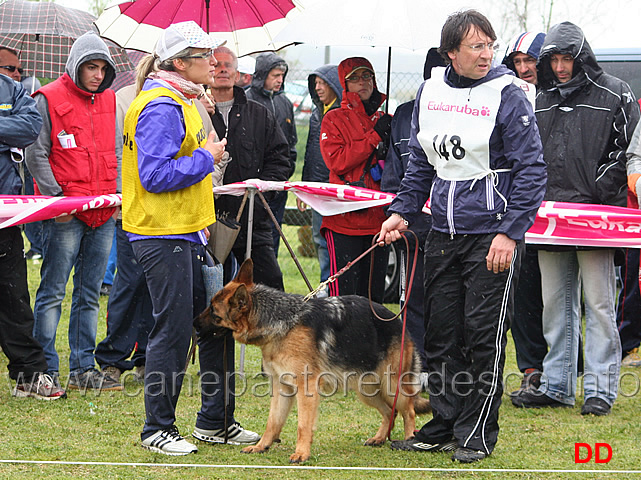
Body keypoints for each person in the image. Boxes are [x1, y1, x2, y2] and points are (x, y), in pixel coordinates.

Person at [379, 10, 546, 462]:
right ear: (451, 52)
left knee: (482, 335)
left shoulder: (508, 95)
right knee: (440, 335)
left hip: (491, 235)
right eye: (476, 46)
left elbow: (532, 170)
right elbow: (421, 162)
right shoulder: (430, 91)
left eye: (490, 45)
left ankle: (476, 432)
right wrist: (401, 211)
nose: (487, 54)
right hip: (442, 232)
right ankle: (446, 421)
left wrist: (510, 233)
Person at [122, 22, 259, 455]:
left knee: (217, 324)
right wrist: (207, 156)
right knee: (175, 330)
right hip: (162, 233)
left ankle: (215, 422)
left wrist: (209, 152)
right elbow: (156, 175)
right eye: (203, 56)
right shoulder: (161, 106)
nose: (214, 62)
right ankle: (156, 429)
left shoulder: (185, 102)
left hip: (191, 231)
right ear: (180, 63)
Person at [512, 21, 640, 416]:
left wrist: (599, 192)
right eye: (554, 59)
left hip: (596, 216)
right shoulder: (540, 99)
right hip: (549, 217)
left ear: (581, 56)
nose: (561, 66)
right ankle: (557, 384)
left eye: (567, 58)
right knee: (555, 303)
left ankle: (601, 387)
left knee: (599, 303)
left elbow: (627, 149)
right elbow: (528, 154)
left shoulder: (616, 93)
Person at [26, 31, 122, 392]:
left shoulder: (111, 99)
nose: (97, 75)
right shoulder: (47, 97)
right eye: (91, 67)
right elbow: (37, 153)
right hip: (66, 213)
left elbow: (117, 151)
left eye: (102, 68)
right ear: (75, 66)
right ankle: (44, 367)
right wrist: (57, 203)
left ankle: (83, 368)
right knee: (52, 290)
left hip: (102, 211)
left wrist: (115, 198)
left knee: (89, 291)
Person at [0, 61, 66, 401]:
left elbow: (29, 126)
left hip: (5, 216)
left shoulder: (10, 89)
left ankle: (28, 374)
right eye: (5, 63)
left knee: (14, 299)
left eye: (13, 65)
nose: (10, 70)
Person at [380, 48, 445, 383]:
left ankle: (445, 368)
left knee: (447, 301)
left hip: (454, 225)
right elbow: (395, 171)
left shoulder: (468, 111)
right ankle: (418, 365)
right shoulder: (405, 114)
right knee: (413, 298)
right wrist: (400, 214)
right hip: (415, 227)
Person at [203, 46, 291, 290]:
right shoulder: (194, 112)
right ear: (208, 70)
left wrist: (262, 193)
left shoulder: (259, 114)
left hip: (252, 218)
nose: (221, 69)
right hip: (205, 218)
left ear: (237, 73)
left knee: (268, 285)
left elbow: (280, 158)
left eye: (227, 65)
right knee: (209, 287)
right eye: (216, 64)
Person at [319, 57, 390, 302]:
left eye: (367, 76)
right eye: (355, 78)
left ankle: (371, 342)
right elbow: (338, 161)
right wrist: (374, 137)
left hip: (378, 222)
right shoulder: (334, 118)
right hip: (343, 221)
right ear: (344, 84)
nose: (363, 82)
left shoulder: (385, 119)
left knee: (373, 301)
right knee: (344, 302)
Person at [501, 31, 548, 396]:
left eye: (529, 60)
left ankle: (562, 368)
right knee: (524, 292)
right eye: (517, 62)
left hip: (562, 211)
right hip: (518, 209)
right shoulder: (507, 99)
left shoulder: (555, 100)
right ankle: (530, 367)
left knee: (564, 296)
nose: (524, 68)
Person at [296, 64, 341, 292]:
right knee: (319, 238)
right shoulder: (317, 114)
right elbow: (311, 153)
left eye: (323, 83)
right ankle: (325, 285)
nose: (318, 88)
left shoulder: (343, 113)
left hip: (337, 189)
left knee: (335, 240)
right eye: (316, 84)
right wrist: (304, 187)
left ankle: (336, 285)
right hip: (316, 189)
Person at [246, 53, 297, 255]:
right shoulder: (247, 100)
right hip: (253, 185)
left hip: (279, 184)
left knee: (273, 236)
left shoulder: (285, 102)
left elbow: (291, 143)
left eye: (282, 75)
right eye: (275, 75)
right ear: (262, 75)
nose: (280, 80)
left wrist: (286, 172)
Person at [0, 46, 43, 260]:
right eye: (10, 68)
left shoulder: (15, 91)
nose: (18, 74)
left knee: (14, 292)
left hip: (8, 206)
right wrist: (7, 137)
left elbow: (31, 128)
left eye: (20, 68)